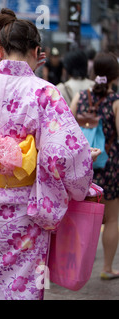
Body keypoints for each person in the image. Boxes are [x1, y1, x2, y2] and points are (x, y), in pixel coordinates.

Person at [0, 8, 93, 300]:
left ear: (0, 49)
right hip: (22, 205)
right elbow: (64, 152)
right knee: (22, 283)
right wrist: (83, 173)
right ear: (37, 50)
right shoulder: (44, 91)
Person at [70, 52, 119, 280]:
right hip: (109, 168)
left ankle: (72, 265)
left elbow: (66, 132)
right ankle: (107, 268)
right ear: (114, 76)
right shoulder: (116, 103)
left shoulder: (80, 98)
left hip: (82, 167)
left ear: (93, 73)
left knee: (78, 217)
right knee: (113, 219)